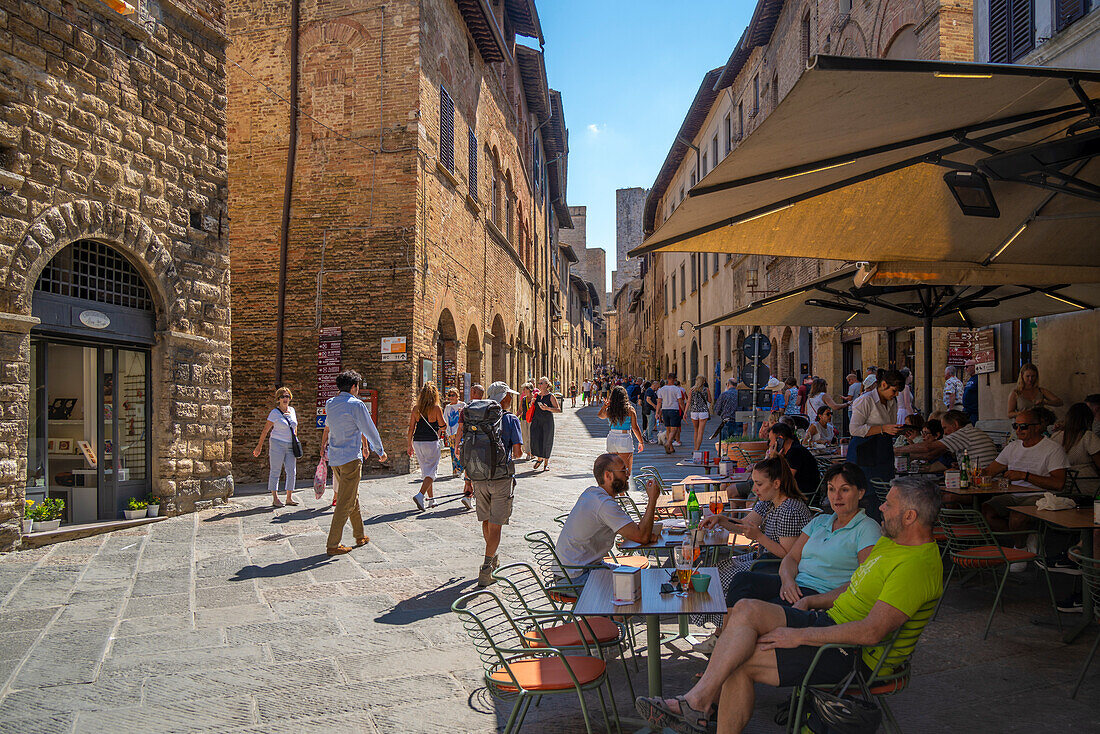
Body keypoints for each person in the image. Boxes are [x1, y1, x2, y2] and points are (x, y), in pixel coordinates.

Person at [636, 477, 943, 734]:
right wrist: (813, 600)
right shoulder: (893, 544)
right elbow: (857, 585)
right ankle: (698, 703)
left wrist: (799, 635)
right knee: (744, 607)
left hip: (856, 656)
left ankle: (697, 706)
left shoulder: (916, 566)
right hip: (830, 621)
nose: (881, 507)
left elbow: (871, 632)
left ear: (910, 517)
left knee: (738, 660)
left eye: (888, 504)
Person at [693, 463, 882, 653]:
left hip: (820, 594)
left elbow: (861, 583)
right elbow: (791, 558)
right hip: (795, 584)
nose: (836, 496)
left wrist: (815, 600)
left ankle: (726, 648)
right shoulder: (821, 521)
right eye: (832, 489)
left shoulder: (867, 528)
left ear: (860, 493)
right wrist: (787, 580)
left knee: (753, 612)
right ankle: (727, 643)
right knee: (742, 581)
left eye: (845, 490)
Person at [692, 456, 812, 631]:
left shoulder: (790, 510)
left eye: (759, 484)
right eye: (754, 483)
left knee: (714, 582)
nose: (754, 489)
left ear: (777, 484)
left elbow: (790, 555)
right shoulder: (769, 501)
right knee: (713, 571)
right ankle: (723, 632)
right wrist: (722, 520)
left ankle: (725, 633)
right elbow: (746, 525)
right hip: (761, 557)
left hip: (775, 566)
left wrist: (760, 537)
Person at [554, 453, 662, 586]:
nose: (628, 474)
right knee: (636, 584)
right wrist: (652, 499)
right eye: (623, 470)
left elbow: (636, 534)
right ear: (608, 476)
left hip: (578, 570)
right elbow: (642, 537)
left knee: (639, 577)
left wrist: (642, 535)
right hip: (575, 576)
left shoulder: (592, 493)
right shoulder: (604, 504)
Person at [463, 381, 524, 587]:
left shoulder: (477, 418)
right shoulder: (511, 419)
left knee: (486, 521)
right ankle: (487, 568)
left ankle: (493, 555)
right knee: (496, 525)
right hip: (501, 477)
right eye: (509, 395)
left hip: (479, 476)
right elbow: (517, 453)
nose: (511, 399)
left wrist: (468, 479)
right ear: (504, 398)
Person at [320, 370, 387, 555]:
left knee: (351, 496)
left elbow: (329, 426)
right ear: (353, 387)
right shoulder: (356, 405)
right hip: (350, 457)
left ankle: (360, 535)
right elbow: (369, 428)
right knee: (344, 501)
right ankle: (333, 543)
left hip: (335, 458)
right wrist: (379, 450)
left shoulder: (330, 403)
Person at [979, 408, 1069, 543]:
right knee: (987, 510)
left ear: (1037, 427)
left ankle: (1020, 549)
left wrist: (1024, 476)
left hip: (1040, 496)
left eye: (1024, 426)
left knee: (1017, 516)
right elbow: (990, 471)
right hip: (1013, 494)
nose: (1018, 430)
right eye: (1016, 426)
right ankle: (1024, 540)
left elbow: (1058, 484)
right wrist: (976, 472)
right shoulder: (1013, 447)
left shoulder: (1053, 449)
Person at [848, 369, 905, 487]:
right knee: (867, 490)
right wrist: (882, 428)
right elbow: (854, 429)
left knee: (884, 487)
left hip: (883, 449)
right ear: (884, 385)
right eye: (894, 391)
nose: (896, 394)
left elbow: (890, 424)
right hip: (865, 450)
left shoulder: (892, 402)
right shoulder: (865, 400)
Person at [897, 409, 998, 471]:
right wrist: (905, 456)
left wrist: (897, 450)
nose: (944, 433)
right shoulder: (970, 432)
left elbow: (928, 448)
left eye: (945, 428)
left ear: (955, 425)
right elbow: (931, 454)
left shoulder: (964, 434)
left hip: (985, 482)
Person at [253, 386, 300, 508]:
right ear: (278, 399)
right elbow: (265, 431)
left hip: (290, 445)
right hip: (277, 443)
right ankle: (275, 498)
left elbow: (295, 426)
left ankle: (289, 497)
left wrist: (296, 438)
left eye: (287, 396)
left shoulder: (292, 410)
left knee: (291, 470)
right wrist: (259, 447)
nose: (285, 398)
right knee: (275, 470)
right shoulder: (274, 413)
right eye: (282, 396)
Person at [407, 382, 445, 512]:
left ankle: (431, 500)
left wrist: (409, 445)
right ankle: (420, 495)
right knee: (432, 472)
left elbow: (411, 428)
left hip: (418, 442)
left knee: (426, 471)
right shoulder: (436, 408)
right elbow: (443, 425)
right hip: (431, 442)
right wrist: (442, 428)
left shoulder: (416, 408)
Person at [1052, 402, 1100, 496]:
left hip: (1064, 484)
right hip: (1087, 485)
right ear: (1088, 419)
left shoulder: (1055, 436)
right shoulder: (1088, 436)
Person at [767, 423, 820, 502]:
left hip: (802, 496)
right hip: (795, 493)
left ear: (780, 439)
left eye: (771, 440)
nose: (770, 444)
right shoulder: (791, 450)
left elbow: (785, 479)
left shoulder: (794, 452)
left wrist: (774, 459)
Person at [599, 385, 644, 475]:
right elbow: (635, 427)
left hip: (612, 438)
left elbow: (600, 415)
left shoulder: (609, 410)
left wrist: (605, 406)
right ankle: (623, 488)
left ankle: (615, 488)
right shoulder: (630, 410)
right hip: (624, 438)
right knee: (626, 469)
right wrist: (641, 442)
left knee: (613, 468)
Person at [530, 376, 561, 471]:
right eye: (539, 383)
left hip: (547, 421)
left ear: (546, 385)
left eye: (541, 383)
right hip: (537, 420)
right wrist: (532, 402)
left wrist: (548, 408)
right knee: (536, 439)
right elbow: (533, 407)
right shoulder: (537, 395)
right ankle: (539, 459)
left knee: (547, 440)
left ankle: (546, 463)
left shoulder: (551, 396)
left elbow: (558, 409)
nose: (539, 385)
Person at [656, 373, 686, 454]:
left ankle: (671, 448)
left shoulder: (661, 389)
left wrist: (657, 412)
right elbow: (680, 402)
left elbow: (659, 402)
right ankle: (668, 443)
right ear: (674, 379)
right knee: (675, 429)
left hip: (665, 410)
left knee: (668, 429)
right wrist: (684, 411)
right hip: (674, 410)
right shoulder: (676, 389)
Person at [442, 387, 466, 477]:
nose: (451, 397)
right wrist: (445, 432)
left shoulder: (463, 405)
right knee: (453, 451)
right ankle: (455, 470)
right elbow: (445, 419)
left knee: (460, 450)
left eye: (453, 395)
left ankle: (461, 468)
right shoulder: (448, 407)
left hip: (460, 432)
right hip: (451, 433)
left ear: (457, 396)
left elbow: (466, 416)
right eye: (450, 395)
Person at [688, 375, 713, 452]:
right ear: (704, 381)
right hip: (703, 412)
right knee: (700, 432)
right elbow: (710, 400)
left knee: (696, 430)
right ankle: (696, 449)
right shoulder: (706, 389)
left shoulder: (691, 390)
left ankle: (695, 447)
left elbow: (689, 402)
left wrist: (685, 412)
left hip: (694, 412)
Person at [517, 383, 534, 461]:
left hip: (532, 420)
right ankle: (528, 453)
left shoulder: (534, 398)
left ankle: (531, 452)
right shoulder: (523, 399)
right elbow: (520, 410)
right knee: (525, 436)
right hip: (524, 419)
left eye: (525, 389)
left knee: (531, 436)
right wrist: (515, 417)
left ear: (530, 389)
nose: (523, 391)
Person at [962, 360, 979, 425]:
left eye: (967, 367)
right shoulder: (971, 379)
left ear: (973, 367)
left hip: (973, 412)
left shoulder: (977, 378)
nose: (965, 369)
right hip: (967, 411)